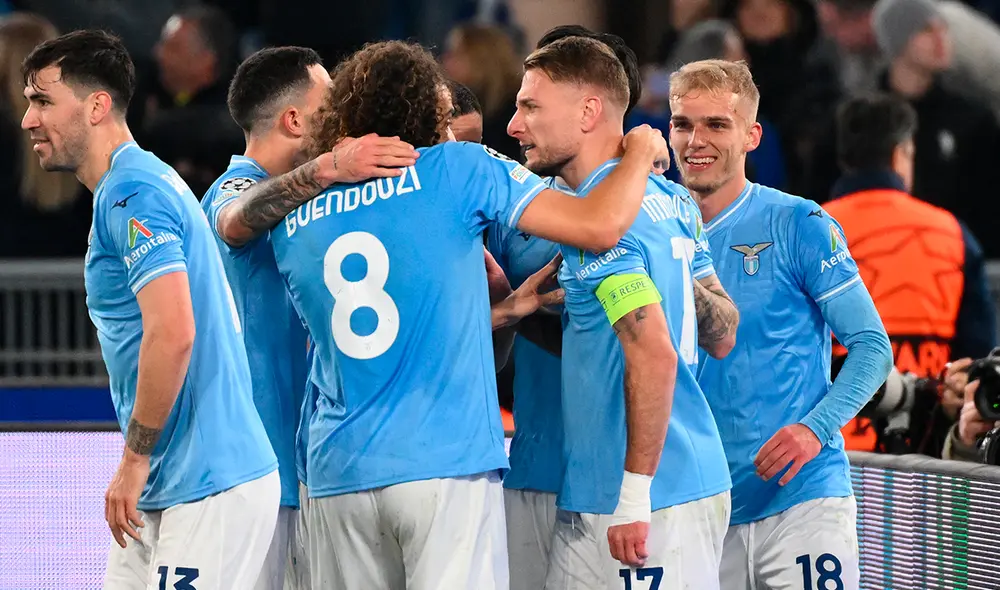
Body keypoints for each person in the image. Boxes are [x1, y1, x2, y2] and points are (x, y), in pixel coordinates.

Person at [267, 40, 670, 590]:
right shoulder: (458, 169)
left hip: (337, 468)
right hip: (443, 460)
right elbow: (600, 226)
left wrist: (504, 310)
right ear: (427, 114)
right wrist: (641, 152)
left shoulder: (294, 217)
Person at [21, 30, 280, 588]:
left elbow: (174, 331)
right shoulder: (133, 185)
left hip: (209, 484)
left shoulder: (133, 194)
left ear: (96, 106)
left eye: (42, 100)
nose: (27, 120)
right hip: (170, 484)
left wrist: (133, 461)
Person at [506, 36, 739, 589]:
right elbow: (723, 330)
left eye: (531, 107)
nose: (515, 126)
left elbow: (654, 352)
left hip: (646, 497)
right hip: (638, 485)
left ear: (589, 112)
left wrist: (634, 497)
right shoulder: (671, 199)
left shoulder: (598, 227)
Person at [669, 59, 893, 590]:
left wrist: (815, 429)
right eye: (682, 124)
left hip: (803, 500)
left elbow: (871, 346)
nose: (696, 140)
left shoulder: (799, 222)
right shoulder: (650, 228)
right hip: (699, 506)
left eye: (716, 124)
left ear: (752, 136)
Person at [823, 93, 996, 455]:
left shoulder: (807, 229)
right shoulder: (953, 234)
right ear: (900, 153)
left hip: (823, 451)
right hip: (925, 456)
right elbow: (980, 367)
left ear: (843, 158)